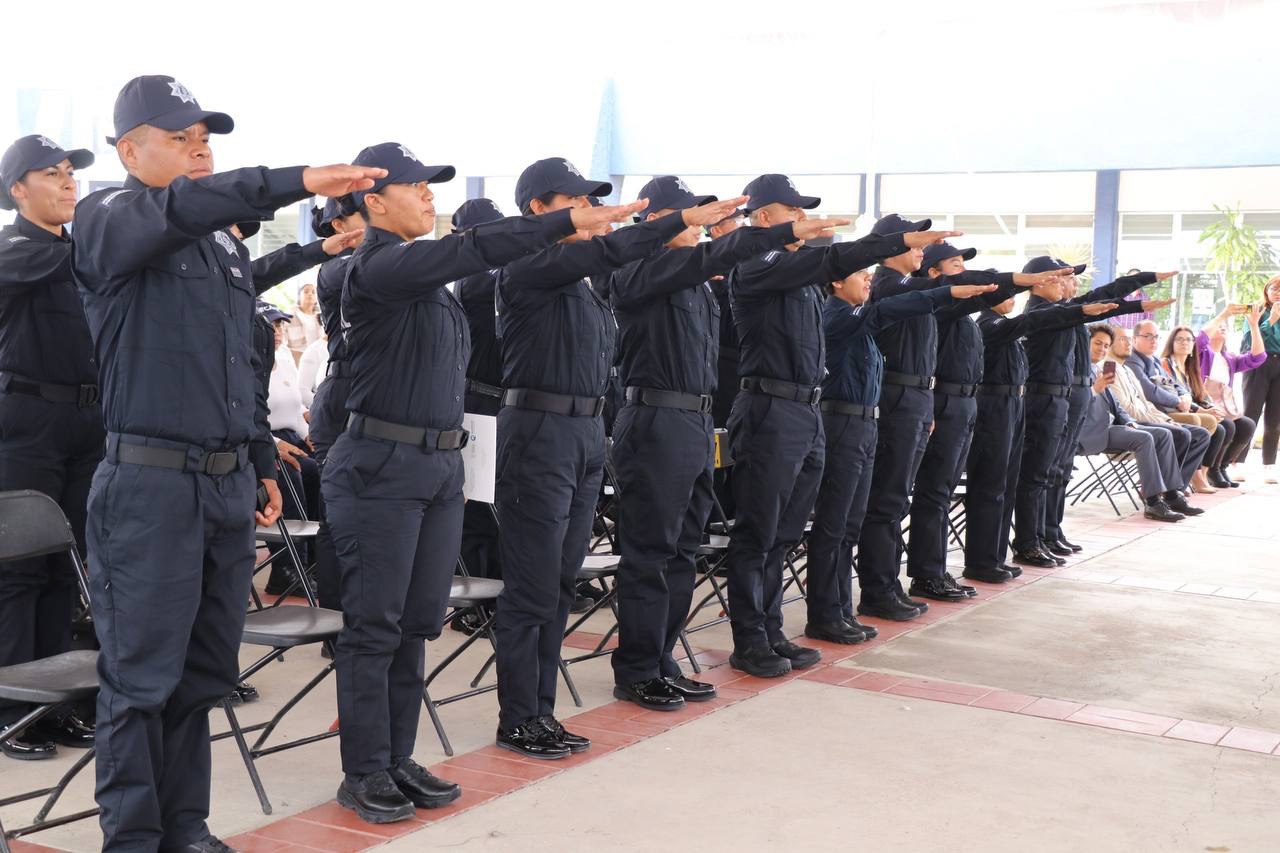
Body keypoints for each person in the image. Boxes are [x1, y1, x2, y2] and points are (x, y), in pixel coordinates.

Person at [73, 74, 382, 851]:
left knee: (202, 672)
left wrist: (258, 463)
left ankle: (186, 824)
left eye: (204, 135)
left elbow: (233, 368)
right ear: (128, 149)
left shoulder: (216, 249)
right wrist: (291, 184)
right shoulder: (106, 218)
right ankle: (134, 836)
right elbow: (177, 209)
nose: (199, 147)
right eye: (179, 137)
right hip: (148, 487)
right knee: (141, 676)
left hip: (220, 487)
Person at [324, 144, 639, 819]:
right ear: (374, 201)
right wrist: (563, 228)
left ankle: (398, 756)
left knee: (416, 624)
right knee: (374, 626)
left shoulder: (425, 281)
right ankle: (365, 768)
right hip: (382, 464)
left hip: (437, 465)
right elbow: (471, 253)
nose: (429, 196)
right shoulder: (381, 266)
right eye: (416, 186)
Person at [493, 158, 744, 758]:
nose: (594, 212)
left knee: (560, 581)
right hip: (538, 430)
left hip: (583, 431)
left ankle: (542, 710)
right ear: (537, 209)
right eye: (577, 201)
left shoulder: (581, 284)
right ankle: (520, 714)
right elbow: (603, 257)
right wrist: (674, 223)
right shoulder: (533, 265)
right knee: (533, 583)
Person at [609, 176, 839, 710]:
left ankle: (662, 660)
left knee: (683, 552)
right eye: (690, 217)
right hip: (654, 419)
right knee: (651, 552)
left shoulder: (694, 284)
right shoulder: (640, 272)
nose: (703, 226)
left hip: (694, 421)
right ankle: (638, 667)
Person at [724, 191, 961, 667]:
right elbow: (835, 265)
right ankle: (750, 639)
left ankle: (772, 630)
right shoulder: (756, 265)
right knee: (760, 533)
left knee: (787, 533)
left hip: (806, 412)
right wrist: (889, 243)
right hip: (770, 407)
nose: (803, 219)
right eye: (794, 212)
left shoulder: (803, 286)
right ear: (765, 217)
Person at [806, 266, 1001, 640]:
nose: (867, 281)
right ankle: (825, 614)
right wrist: (945, 293)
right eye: (859, 274)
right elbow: (887, 310)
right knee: (834, 525)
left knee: (850, 524)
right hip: (840, 424)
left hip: (864, 422)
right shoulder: (837, 316)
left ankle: (840, 610)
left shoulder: (856, 322)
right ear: (834, 280)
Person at [0, 134, 100, 760]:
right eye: (53, 174)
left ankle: (52, 704)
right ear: (17, 190)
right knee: (19, 570)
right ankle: (12, 709)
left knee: (67, 564)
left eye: (72, 173)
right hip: (28, 420)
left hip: (88, 421)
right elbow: (69, 261)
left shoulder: (75, 252)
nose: (69, 183)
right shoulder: (16, 250)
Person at [904, 242, 1045, 602]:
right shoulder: (940, 309)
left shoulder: (962, 316)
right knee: (933, 492)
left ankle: (938, 570)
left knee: (943, 491)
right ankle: (926, 574)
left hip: (967, 401)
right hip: (943, 400)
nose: (964, 272)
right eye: (955, 265)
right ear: (933, 274)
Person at [1014, 263, 1174, 568]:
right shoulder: (1040, 313)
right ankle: (1028, 541)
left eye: (1069, 279)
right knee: (1037, 474)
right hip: (1044, 397)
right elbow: (1091, 305)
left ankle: (1047, 533)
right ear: (1037, 283)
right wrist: (1136, 300)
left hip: (1065, 396)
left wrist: (1144, 285)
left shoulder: (1063, 309)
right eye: (1061, 278)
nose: (1066, 285)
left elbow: (1103, 295)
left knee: (1056, 471)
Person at [962, 281, 1120, 584]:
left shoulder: (1005, 325)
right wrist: (1082, 309)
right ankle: (986, 559)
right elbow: (1034, 320)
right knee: (992, 485)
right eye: (1006, 292)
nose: (1012, 298)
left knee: (1006, 485)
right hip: (996, 406)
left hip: (1013, 404)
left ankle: (996, 556)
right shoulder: (989, 324)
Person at [1080, 324, 1186, 521]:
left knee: (1163, 434)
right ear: (1085, 343)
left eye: (1105, 346)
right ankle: (1153, 503)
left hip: (1111, 427)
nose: (1102, 349)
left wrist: (1129, 422)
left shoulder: (1098, 369)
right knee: (1144, 438)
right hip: (1090, 432)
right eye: (1097, 343)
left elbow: (1117, 406)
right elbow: (1074, 404)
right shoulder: (1078, 369)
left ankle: (1171, 494)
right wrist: (1094, 389)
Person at [1105, 326, 1208, 517]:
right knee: (1172, 433)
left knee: (1199, 434)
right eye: (1122, 339)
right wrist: (1166, 422)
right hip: (1128, 424)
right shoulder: (1109, 369)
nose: (1128, 343)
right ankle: (1161, 497)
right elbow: (1127, 410)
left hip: (1144, 419)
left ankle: (1173, 492)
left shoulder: (1126, 370)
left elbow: (1146, 404)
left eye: (1129, 339)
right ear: (1110, 343)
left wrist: (1167, 419)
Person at [1127, 319, 1221, 493]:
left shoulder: (1154, 360)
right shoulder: (1133, 361)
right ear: (1134, 339)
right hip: (1152, 414)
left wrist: (1184, 396)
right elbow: (1149, 390)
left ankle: (1177, 483)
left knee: (1205, 430)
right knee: (1195, 422)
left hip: (1167, 411)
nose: (1153, 340)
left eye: (1156, 336)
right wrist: (1177, 401)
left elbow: (1174, 384)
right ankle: (1168, 481)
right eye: (1148, 336)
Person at [1193, 304, 1266, 483]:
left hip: (1225, 408)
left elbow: (1258, 357)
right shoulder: (1202, 353)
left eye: (1225, 325)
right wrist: (1224, 313)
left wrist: (1255, 325)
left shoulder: (1229, 358)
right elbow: (1199, 339)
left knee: (1248, 425)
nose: (1222, 327)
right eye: (1219, 325)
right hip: (1205, 406)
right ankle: (1211, 468)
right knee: (1228, 425)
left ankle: (1221, 466)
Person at [1160, 324, 1237, 488]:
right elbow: (1172, 395)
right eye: (1179, 339)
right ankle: (1195, 475)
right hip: (1171, 411)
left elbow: (1201, 393)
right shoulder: (1165, 364)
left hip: (1191, 409)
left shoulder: (1190, 367)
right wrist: (1202, 410)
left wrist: (1211, 408)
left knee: (1229, 424)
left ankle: (1206, 472)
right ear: (1171, 343)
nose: (1184, 343)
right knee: (1218, 427)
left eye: (1189, 339)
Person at [1241, 277, 1280, 483]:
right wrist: (1271, 320)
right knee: (1250, 415)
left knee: (1275, 421)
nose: (1278, 293)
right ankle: (1236, 462)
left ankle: (1269, 465)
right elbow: (1250, 341)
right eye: (1274, 288)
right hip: (1257, 365)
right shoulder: (1255, 310)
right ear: (1266, 291)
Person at [286, 281, 323, 359]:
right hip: (298, 359)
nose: (310, 294)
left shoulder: (321, 316)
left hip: (318, 358)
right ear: (299, 296)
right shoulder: (290, 315)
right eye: (306, 291)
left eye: (313, 292)